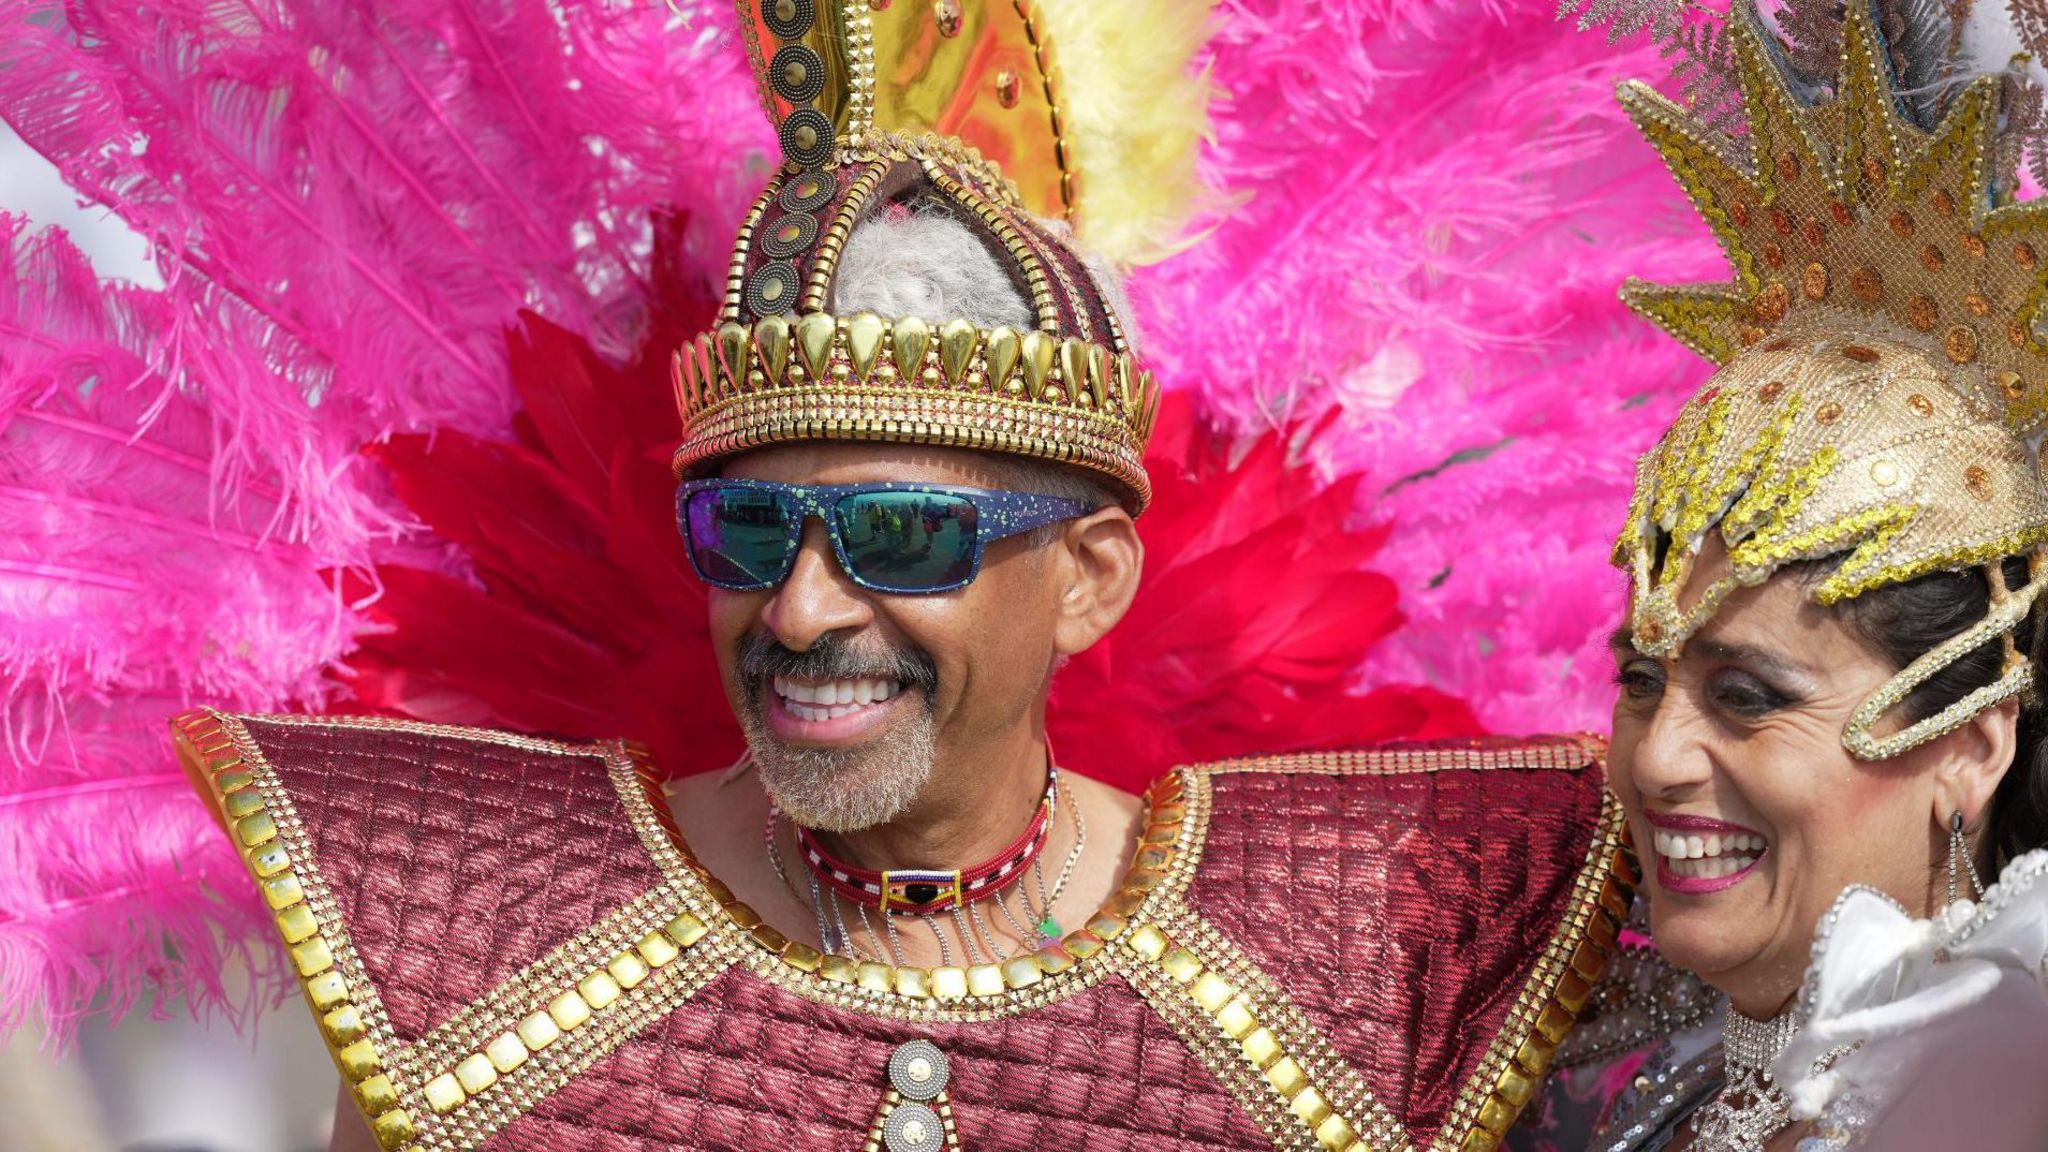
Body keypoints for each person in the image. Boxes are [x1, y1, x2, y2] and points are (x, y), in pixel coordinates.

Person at [170, 3, 1632, 1150]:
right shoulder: (474, 940)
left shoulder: (1358, 955)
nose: (802, 612)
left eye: (902, 539)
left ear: (1090, 580)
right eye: (748, 538)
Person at [1588, 3, 2048, 1148]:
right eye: (1641, 679)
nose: (1653, 756)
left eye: (1746, 696)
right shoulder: (1659, 1072)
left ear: (1971, 746)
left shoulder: (1993, 1100)